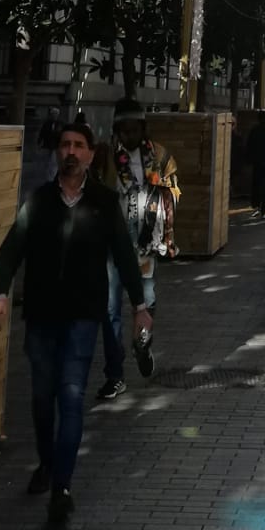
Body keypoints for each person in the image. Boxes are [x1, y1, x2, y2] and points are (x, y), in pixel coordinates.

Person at [0, 116, 150, 529]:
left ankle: (62, 487)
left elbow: (125, 255)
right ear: (57, 152)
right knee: (43, 399)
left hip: (82, 314)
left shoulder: (103, 202)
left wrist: (139, 305)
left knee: (72, 394)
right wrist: (0, 294)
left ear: (91, 155)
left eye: (79, 145)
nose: (72, 152)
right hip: (42, 315)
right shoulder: (39, 201)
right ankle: (47, 463)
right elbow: (11, 249)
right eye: (65, 145)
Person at [93, 107, 178, 399]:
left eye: (134, 129)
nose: (129, 135)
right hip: (112, 245)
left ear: (143, 128)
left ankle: (142, 345)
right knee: (109, 308)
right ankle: (115, 374)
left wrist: (163, 231)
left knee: (146, 301)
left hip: (145, 245)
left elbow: (172, 195)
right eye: (123, 130)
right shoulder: (105, 157)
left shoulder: (160, 156)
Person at [244, 111, 265, 221]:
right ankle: (264, 209)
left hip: (258, 163)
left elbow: (250, 146)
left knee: (257, 184)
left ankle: (256, 206)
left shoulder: (255, 130)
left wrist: (249, 160)